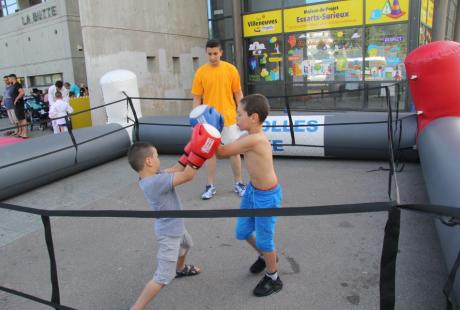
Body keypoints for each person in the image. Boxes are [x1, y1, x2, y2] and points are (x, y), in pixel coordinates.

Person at [127, 126, 221, 310]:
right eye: (156, 156)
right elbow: (187, 174)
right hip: (169, 233)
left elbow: (178, 167)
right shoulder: (155, 182)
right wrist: (201, 154)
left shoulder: (153, 176)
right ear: (148, 161)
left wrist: (192, 148)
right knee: (162, 277)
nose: (158, 159)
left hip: (176, 226)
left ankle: (180, 269)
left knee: (187, 244)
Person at [216, 94, 283, 297]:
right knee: (242, 231)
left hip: (267, 196)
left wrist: (207, 130)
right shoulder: (247, 137)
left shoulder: (255, 140)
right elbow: (224, 149)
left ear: (253, 117)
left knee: (265, 240)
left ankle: (273, 278)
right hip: (253, 191)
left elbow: (221, 152)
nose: (236, 118)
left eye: (239, 114)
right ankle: (265, 256)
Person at [191, 39, 246, 200]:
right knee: (210, 154)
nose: (213, 57)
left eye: (216, 53)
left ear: (221, 52)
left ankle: (239, 183)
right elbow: (196, 98)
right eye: (210, 54)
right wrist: (196, 121)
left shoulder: (231, 69)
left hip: (229, 119)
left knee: (234, 153)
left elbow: (238, 93)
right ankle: (210, 186)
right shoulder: (201, 72)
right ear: (206, 53)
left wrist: (241, 112)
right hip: (208, 122)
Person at [8, 74, 28, 139]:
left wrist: (16, 99)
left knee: (22, 118)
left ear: (12, 78)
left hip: (19, 104)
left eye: (9, 78)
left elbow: (22, 92)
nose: (8, 80)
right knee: (19, 119)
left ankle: (25, 133)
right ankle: (22, 132)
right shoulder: (13, 85)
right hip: (15, 105)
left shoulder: (17, 84)